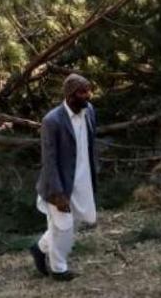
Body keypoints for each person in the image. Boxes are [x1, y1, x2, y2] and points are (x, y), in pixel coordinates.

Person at [30, 73, 98, 281]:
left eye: (88, 90)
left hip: (82, 178)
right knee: (63, 226)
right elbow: (49, 160)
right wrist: (58, 194)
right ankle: (59, 269)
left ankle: (40, 249)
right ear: (70, 95)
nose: (88, 95)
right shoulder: (52, 121)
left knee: (75, 220)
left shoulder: (90, 111)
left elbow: (89, 144)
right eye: (82, 92)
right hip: (58, 182)